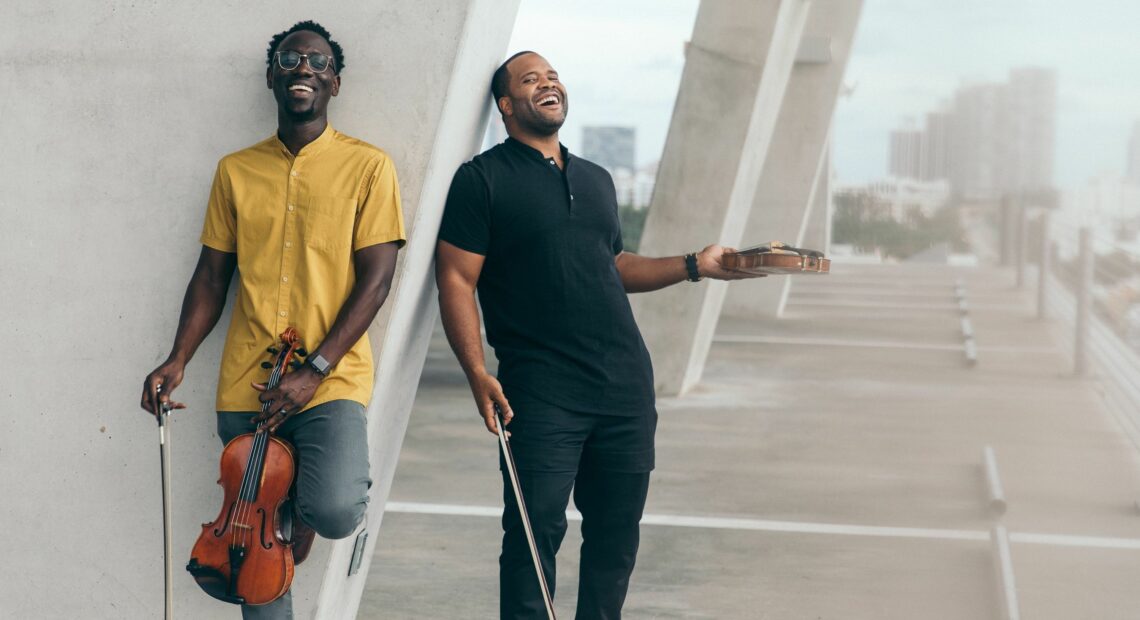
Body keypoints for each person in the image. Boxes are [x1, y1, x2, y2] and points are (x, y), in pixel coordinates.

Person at [435, 51, 760, 619]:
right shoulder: (481, 179)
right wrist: (476, 371)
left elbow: (612, 265)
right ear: (507, 106)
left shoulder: (596, 178)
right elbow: (457, 280)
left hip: (625, 388)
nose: (548, 83)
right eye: (530, 79)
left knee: (615, 541)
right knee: (533, 542)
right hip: (541, 392)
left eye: (553, 76)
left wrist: (694, 265)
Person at [140, 20, 405, 619]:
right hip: (247, 386)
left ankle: (295, 518)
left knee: (333, 507)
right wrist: (176, 358)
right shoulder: (236, 170)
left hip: (328, 383)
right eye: (290, 59)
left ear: (335, 81)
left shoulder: (369, 167)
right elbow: (212, 276)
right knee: (248, 550)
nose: (303, 68)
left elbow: (377, 279)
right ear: (272, 77)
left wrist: (314, 369)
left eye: (317, 61)